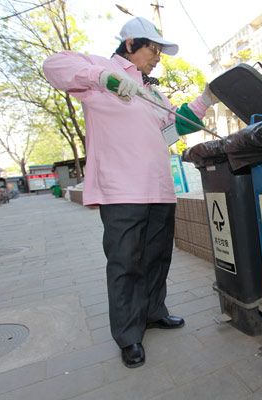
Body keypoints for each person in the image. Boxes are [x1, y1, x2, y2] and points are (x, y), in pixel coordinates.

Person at [43, 16, 219, 368]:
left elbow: (175, 124)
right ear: (130, 45)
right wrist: (104, 78)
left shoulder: (152, 91)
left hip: (159, 188)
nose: (157, 57)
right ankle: (128, 335)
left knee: (156, 256)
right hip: (122, 189)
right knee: (125, 262)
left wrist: (205, 99)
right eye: (153, 49)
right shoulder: (100, 70)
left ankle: (154, 311)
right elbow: (53, 66)